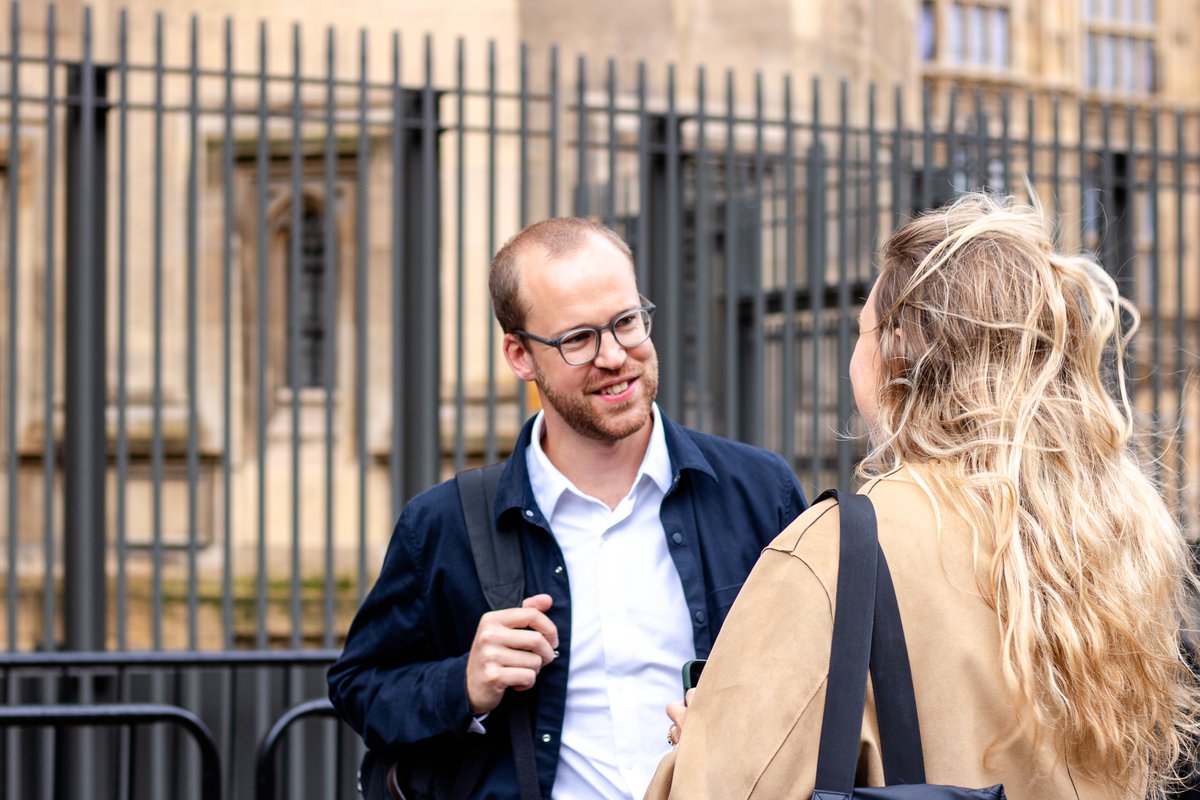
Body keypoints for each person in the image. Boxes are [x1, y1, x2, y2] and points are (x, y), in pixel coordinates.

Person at [645, 193, 1200, 800]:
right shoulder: (1108, 541)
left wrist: (699, 737)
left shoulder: (839, 548)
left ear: (898, 350)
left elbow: (725, 787)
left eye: (863, 330)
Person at [328, 217, 807, 800]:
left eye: (627, 322)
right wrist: (465, 683)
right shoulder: (443, 524)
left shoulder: (758, 491)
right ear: (520, 355)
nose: (615, 356)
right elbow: (360, 686)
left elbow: (822, 680)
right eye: (578, 339)